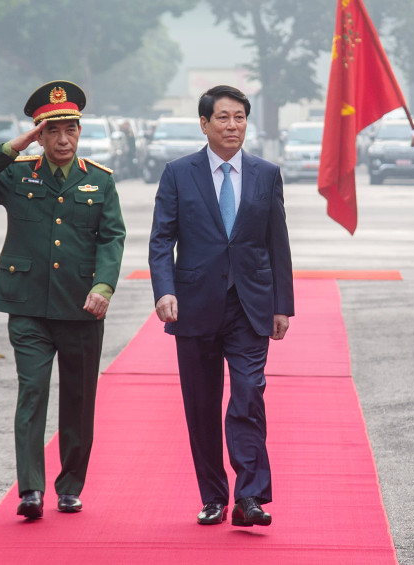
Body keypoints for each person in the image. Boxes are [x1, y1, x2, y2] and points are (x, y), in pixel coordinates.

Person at [0, 80, 126, 519]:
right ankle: (30, 490)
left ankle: (70, 486)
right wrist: (17, 146)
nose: (63, 139)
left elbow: (112, 237)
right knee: (32, 393)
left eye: (70, 129)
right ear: (39, 134)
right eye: (52, 131)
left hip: (81, 308)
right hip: (28, 306)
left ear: (80, 132)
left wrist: (103, 286)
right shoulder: (17, 175)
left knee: (78, 398)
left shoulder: (99, 182)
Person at [148, 85, 294, 527]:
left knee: (248, 395)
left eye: (240, 118)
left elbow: (277, 242)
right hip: (193, 305)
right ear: (204, 123)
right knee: (202, 405)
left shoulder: (266, 173)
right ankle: (213, 495)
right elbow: (161, 239)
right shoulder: (178, 173)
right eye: (224, 118)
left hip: (250, 306)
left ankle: (250, 496)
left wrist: (282, 304)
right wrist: (165, 289)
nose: (233, 126)